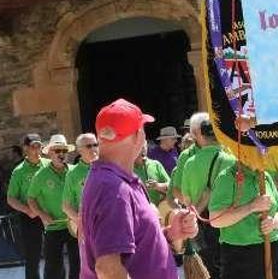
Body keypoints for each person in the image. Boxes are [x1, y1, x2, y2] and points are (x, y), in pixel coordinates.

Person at [80, 98, 198, 279]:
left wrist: (169, 234)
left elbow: (134, 248)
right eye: (142, 129)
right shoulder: (113, 187)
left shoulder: (117, 181)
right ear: (136, 136)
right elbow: (108, 269)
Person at [209, 163, 278, 279]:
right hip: (240, 256)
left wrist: (274, 222)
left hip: (273, 249)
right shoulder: (226, 177)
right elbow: (215, 219)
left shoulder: (265, 176)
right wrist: (252, 207)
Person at [180, 118, 236, 279]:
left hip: (201, 225)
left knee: (208, 270)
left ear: (200, 136)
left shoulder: (190, 163)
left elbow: (186, 199)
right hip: (227, 223)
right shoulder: (231, 160)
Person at [28, 134, 78, 279]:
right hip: (53, 226)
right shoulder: (40, 175)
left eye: (64, 151)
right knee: (53, 267)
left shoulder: (74, 171)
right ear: (50, 153)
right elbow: (31, 199)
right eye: (57, 151)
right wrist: (42, 215)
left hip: (74, 225)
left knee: (78, 263)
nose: (61, 154)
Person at [7, 133, 49, 279]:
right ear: (25, 148)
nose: (37, 150)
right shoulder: (18, 171)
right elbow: (11, 198)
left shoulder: (49, 165)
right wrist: (27, 210)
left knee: (54, 256)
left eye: (39, 146)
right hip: (30, 218)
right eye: (33, 147)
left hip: (51, 215)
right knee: (33, 258)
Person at [62, 133, 99, 239]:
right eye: (88, 146)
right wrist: (81, 223)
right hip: (88, 228)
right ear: (79, 150)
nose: (93, 149)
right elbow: (66, 206)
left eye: (95, 145)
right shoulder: (73, 173)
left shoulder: (108, 167)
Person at [171, 112, 211, 203]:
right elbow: (176, 190)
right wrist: (193, 209)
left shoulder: (223, 150)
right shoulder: (186, 155)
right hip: (198, 212)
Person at [134, 142, 170, 206]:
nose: (143, 150)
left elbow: (171, 187)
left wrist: (158, 186)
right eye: (140, 147)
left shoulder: (156, 165)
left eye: (144, 147)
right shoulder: (127, 167)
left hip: (156, 211)